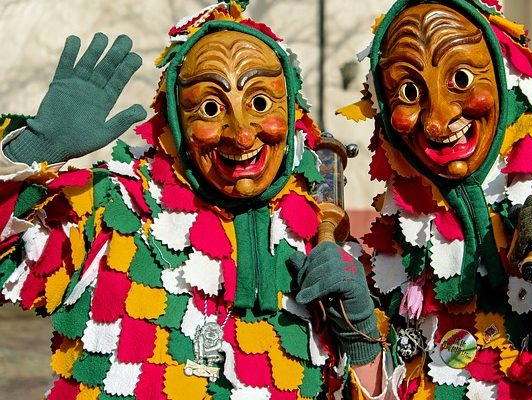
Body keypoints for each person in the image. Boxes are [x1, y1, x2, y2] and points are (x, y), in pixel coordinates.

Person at [0, 2, 387, 398]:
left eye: (259, 102)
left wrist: (359, 333)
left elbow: (372, 388)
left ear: (290, 111)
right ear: (177, 121)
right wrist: (27, 155)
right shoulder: (112, 206)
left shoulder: (320, 235)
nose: (241, 135)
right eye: (210, 108)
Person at [338, 0, 532, 397]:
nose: (436, 120)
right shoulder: (395, 238)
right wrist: (359, 339)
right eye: (409, 91)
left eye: (461, 79)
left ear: (503, 75)